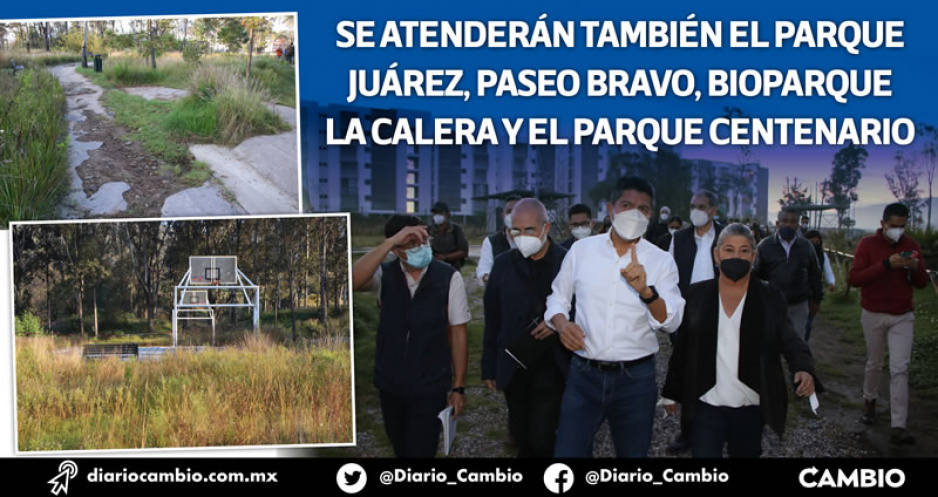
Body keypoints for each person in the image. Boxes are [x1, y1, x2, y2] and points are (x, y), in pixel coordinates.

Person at [546, 177, 685, 457]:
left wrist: (646, 292)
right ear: (611, 209)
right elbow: (557, 299)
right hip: (584, 374)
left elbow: (672, 320)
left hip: (636, 378)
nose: (635, 213)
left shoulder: (661, 261)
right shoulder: (582, 250)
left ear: (651, 215)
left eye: (644, 209)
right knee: (568, 452)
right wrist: (562, 325)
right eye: (627, 205)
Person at [661, 223, 820, 457]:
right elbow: (684, 347)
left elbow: (790, 338)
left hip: (750, 405)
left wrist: (804, 367)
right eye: (729, 250)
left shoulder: (769, 296)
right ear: (716, 254)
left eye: (744, 250)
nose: (736, 256)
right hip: (706, 402)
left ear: (754, 256)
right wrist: (671, 391)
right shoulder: (697, 294)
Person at [351, 215, 470, 457]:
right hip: (390, 383)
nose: (421, 247)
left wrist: (458, 388)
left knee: (421, 450)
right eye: (411, 243)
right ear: (397, 250)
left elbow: (458, 334)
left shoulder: (448, 277)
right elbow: (351, 280)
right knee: (400, 447)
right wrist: (388, 244)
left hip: (430, 385)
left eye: (424, 240)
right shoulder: (385, 275)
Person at [482, 199, 571, 457]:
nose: (522, 237)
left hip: (553, 363)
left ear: (546, 227)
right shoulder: (503, 264)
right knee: (521, 435)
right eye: (516, 231)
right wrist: (489, 365)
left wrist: (558, 322)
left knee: (543, 436)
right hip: (514, 362)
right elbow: (493, 317)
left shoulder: (568, 261)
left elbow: (584, 308)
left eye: (529, 230)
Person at [848, 203, 929, 445]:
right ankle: (869, 400)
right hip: (873, 313)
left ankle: (898, 425)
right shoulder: (867, 245)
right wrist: (886, 265)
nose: (898, 231)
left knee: (899, 368)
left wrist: (915, 268)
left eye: (902, 226)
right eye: (894, 226)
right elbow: (855, 278)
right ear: (883, 224)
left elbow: (923, 282)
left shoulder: (911, 245)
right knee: (875, 362)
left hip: (902, 315)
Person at [664, 190, 723, 453]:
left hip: (721, 315)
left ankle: (717, 431)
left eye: (701, 206)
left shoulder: (725, 236)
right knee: (688, 376)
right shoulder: (679, 238)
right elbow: (669, 276)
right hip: (687, 317)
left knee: (720, 374)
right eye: (692, 206)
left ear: (713, 210)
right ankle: (688, 432)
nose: (695, 211)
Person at [754, 207, 823, 340]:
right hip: (771, 305)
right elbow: (756, 275)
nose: (788, 225)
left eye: (792, 221)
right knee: (770, 345)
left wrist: (816, 300)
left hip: (798, 305)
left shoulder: (806, 246)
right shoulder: (764, 246)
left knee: (797, 345)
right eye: (784, 221)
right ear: (777, 223)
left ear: (797, 224)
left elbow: (815, 274)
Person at [477, 195, 521, 284]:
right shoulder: (491, 241)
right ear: (503, 215)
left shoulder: (533, 240)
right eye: (509, 211)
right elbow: (484, 273)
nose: (512, 215)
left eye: (517, 211)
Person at [803, 230, 836, 342]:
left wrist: (831, 282)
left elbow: (827, 270)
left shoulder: (823, 256)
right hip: (801, 290)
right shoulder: (799, 254)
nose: (815, 245)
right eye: (812, 243)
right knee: (804, 320)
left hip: (815, 290)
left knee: (809, 319)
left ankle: (803, 342)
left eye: (817, 243)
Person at [429, 201, 469, 270]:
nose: (437, 216)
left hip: (453, 267)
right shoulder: (429, 230)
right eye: (435, 213)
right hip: (433, 267)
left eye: (440, 213)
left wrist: (446, 257)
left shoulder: (456, 230)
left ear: (447, 214)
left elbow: (464, 251)